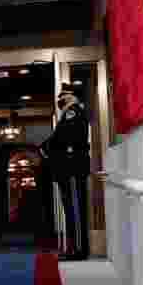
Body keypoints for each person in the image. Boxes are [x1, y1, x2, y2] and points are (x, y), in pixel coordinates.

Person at [40, 84, 91, 260]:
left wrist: (45, 148)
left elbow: (63, 138)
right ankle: (74, 247)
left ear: (72, 97)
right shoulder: (68, 114)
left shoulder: (73, 112)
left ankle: (78, 249)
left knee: (75, 210)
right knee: (70, 209)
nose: (61, 100)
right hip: (68, 169)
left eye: (64, 96)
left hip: (72, 168)